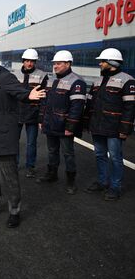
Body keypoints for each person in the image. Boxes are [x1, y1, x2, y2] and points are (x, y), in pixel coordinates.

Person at [0, 51, 45, 228]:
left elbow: (19, 92)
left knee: (10, 177)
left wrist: (29, 96)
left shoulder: (5, 78)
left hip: (3, 136)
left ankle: (14, 210)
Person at [84, 48, 135, 201]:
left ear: (111, 62)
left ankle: (115, 187)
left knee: (115, 157)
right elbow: (90, 104)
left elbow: (130, 108)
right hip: (98, 126)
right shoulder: (98, 81)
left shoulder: (127, 80)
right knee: (100, 155)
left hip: (114, 128)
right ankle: (102, 182)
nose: (100, 64)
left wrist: (125, 128)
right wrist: (87, 123)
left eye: (102, 61)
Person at [38, 50, 87, 195]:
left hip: (65, 126)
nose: (55, 66)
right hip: (50, 123)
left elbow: (77, 107)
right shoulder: (51, 79)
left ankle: (71, 181)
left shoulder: (77, 81)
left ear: (68, 63)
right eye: (54, 63)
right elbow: (43, 102)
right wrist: (41, 119)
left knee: (68, 154)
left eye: (58, 63)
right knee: (52, 151)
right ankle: (52, 174)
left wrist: (70, 126)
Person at [14, 49, 49, 178]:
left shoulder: (42, 75)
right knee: (14, 141)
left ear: (35, 62)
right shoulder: (15, 74)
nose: (29, 64)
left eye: (32, 61)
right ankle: (15, 164)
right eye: (27, 61)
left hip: (33, 113)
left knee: (31, 142)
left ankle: (30, 166)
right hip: (16, 112)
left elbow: (44, 97)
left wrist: (42, 116)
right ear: (23, 61)